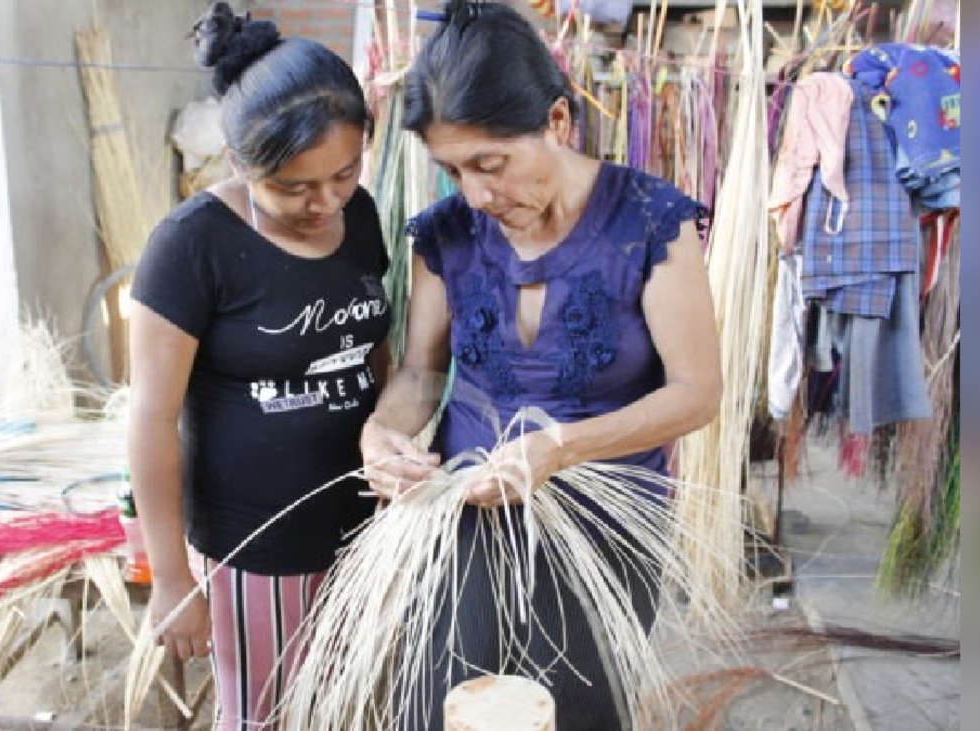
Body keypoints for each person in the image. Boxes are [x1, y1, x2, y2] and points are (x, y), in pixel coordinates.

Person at [358, 2, 722, 728]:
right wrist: (381, 435)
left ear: (558, 122)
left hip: (605, 525)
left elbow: (698, 392)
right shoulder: (448, 234)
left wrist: (560, 447)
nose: (476, 193)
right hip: (467, 515)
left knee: (577, 707)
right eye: (453, 170)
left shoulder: (649, 221)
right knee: (455, 699)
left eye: (490, 164)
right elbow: (420, 374)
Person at [128, 4, 391, 728]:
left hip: (366, 524)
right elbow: (150, 416)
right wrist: (171, 575)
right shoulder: (191, 246)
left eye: (344, 173)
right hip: (258, 541)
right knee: (267, 715)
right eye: (294, 186)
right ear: (240, 164)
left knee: (347, 702)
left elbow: (377, 348)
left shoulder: (361, 216)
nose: (326, 201)